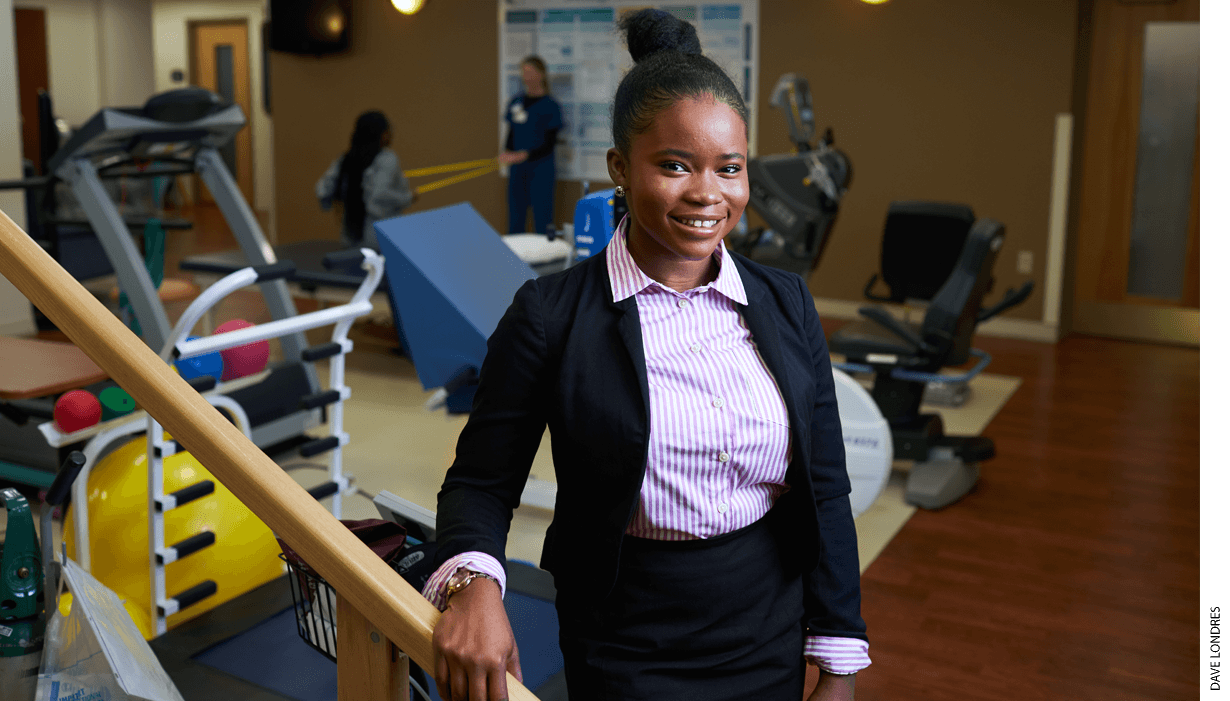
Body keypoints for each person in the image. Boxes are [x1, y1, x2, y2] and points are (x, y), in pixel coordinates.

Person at [426, 10, 869, 701]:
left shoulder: (787, 304)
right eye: (674, 165)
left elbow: (826, 487)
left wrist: (839, 662)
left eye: (730, 168)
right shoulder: (550, 315)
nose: (707, 193)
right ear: (620, 170)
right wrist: (472, 583)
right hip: (623, 631)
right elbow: (481, 481)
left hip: (766, 619)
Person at [316, 110, 416, 251]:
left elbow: (322, 190)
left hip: (350, 240)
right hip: (380, 242)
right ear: (382, 134)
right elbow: (379, 195)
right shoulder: (388, 159)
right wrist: (408, 197)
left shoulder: (346, 159)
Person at [498, 56, 564, 235]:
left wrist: (524, 155)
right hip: (518, 170)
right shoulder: (516, 102)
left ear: (541, 74)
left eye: (531, 72)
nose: (527, 77)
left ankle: (546, 258)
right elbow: (512, 132)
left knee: (542, 219)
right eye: (524, 72)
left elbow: (550, 144)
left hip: (541, 169)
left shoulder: (551, 106)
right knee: (515, 218)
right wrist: (507, 152)